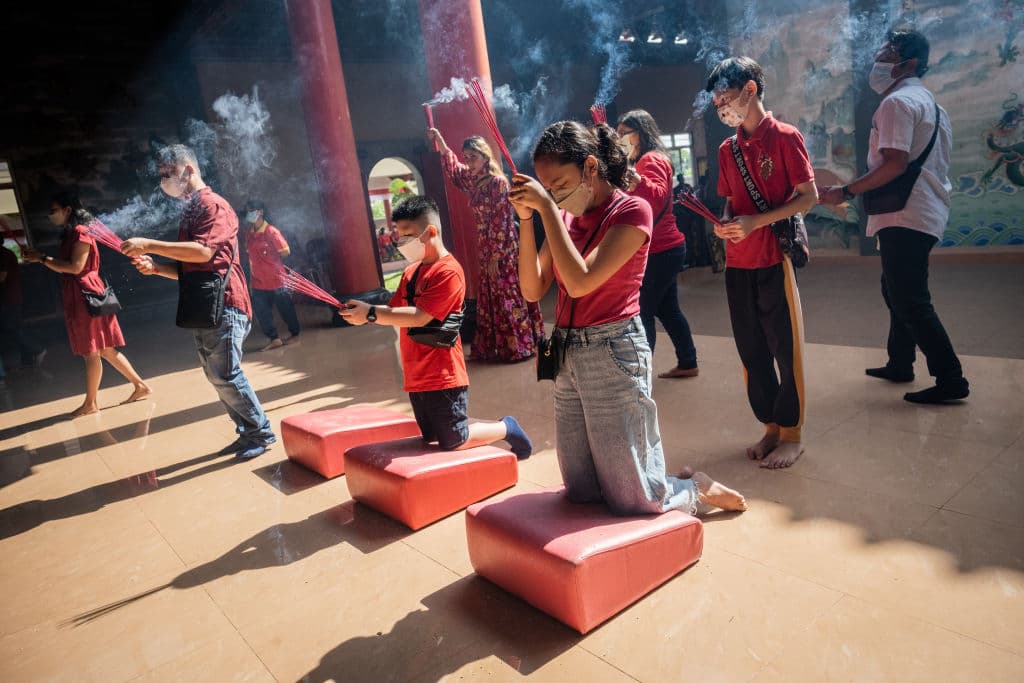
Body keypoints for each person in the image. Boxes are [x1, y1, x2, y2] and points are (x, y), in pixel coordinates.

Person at [508, 120, 746, 515]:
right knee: (581, 488)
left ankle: (692, 488)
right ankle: (656, 485)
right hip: (568, 352)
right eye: (547, 188)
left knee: (634, 497)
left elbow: (581, 282)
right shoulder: (564, 218)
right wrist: (527, 219)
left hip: (613, 351)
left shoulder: (632, 211)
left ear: (589, 167)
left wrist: (547, 209)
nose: (555, 195)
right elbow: (533, 290)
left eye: (560, 184)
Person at [819, 29, 969, 404]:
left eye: (889, 52)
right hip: (922, 210)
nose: (880, 58)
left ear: (910, 62)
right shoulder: (931, 104)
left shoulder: (897, 103)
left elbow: (895, 165)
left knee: (910, 298)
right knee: (896, 289)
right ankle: (900, 362)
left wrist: (847, 191)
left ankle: (951, 378)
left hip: (907, 211)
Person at [340, 195, 533, 460]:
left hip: (443, 374)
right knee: (433, 436)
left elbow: (421, 316)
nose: (401, 242)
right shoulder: (411, 273)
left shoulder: (448, 271)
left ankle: (506, 427)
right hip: (415, 374)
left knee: (454, 440)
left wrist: (370, 314)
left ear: (431, 231)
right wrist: (362, 313)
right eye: (399, 234)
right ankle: (466, 422)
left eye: (407, 234)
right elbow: (395, 312)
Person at [121, 144, 275, 460]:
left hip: (226, 303)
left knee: (225, 374)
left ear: (189, 170)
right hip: (204, 305)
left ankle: (261, 432)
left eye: (169, 173)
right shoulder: (191, 210)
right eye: (162, 175)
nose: (164, 180)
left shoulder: (212, 206)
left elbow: (204, 252)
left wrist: (149, 243)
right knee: (215, 374)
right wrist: (155, 268)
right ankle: (247, 433)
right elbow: (191, 268)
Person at [705, 56, 817, 469]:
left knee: (784, 349)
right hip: (739, 262)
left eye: (727, 96)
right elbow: (732, 203)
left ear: (751, 89)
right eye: (717, 100)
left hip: (773, 257)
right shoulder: (726, 149)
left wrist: (758, 223)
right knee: (750, 349)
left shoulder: (785, 137)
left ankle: (793, 433)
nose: (722, 107)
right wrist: (728, 225)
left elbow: (809, 196)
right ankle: (770, 426)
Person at [22, 193, 149, 416]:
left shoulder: (81, 233)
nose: (51, 215)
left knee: (91, 352)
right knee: (106, 350)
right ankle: (140, 386)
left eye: (53, 210)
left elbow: (75, 267)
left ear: (67, 210)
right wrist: (41, 258)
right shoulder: (73, 234)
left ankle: (91, 404)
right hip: (84, 295)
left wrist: (42, 258)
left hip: (86, 296)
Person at [426, 128, 543, 362]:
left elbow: (502, 221)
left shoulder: (498, 183)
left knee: (507, 293)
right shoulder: (473, 179)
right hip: (486, 247)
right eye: (466, 157)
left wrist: (496, 256)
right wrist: (441, 141)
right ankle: (494, 347)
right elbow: (455, 170)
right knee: (491, 297)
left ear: (485, 157)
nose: (468, 162)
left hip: (503, 249)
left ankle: (518, 346)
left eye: (472, 157)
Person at [617, 109, 699, 378]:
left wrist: (636, 180)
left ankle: (641, 375)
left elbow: (656, 198)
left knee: (643, 310)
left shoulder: (650, 159)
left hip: (660, 250)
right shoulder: (645, 159)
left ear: (640, 133)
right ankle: (688, 362)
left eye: (624, 133)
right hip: (665, 247)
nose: (620, 139)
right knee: (668, 309)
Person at [241, 199, 301, 351]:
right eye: (247, 211)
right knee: (262, 312)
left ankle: (294, 334)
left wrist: (270, 257)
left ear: (260, 212)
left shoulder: (271, 231)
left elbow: (285, 251)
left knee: (286, 308)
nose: (249, 214)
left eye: (251, 211)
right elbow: (248, 254)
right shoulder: (249, 233)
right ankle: (274, 338)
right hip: (258, 281)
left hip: (277, 279)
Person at [1, 243, 46, 380]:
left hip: (8, 299)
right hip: (9, 298)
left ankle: (37, 348)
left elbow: (2, 277)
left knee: (12, 329)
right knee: (13, 328)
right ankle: (28, 360)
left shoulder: (3, 255)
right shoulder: (6, 253)